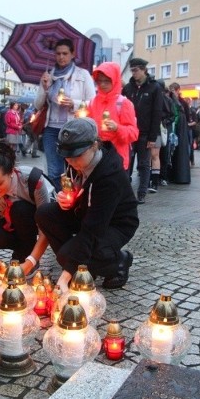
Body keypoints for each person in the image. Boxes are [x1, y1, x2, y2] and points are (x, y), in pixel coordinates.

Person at [35, 117, 139, 292]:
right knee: (45, 213)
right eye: (67, 157)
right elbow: (75, 186)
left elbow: (94, 229)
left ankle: (119, 262)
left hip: (114, 223)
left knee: (67, 256)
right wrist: (67, 197)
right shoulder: (74, 161)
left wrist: (65, 275)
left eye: (77, 156)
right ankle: (80, 264)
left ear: (94, 145)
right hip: (85, 212)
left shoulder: (109, 176)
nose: (71, 162)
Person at [0, 140, 51, 280]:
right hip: (12, 222)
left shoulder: (33, 182)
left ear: (11, 172)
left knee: (19, 209)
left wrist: (29, 262)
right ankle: (21, 252)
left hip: (35, 217)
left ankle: (28, 258)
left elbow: (46, 230)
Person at [35, 38, 96, 191]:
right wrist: (45, 88)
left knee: (74, 169)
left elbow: (93, 102)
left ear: (72, 54)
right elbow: (37, 105)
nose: (61, 57)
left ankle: (75, 200)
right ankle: (61, 201)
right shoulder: (48, 76)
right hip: (51, 130)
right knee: (55, 171)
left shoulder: (82, 75)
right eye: (58, 53)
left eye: (65, 53)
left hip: (73, 129)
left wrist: (73, 104)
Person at [122, 58, 163, 204]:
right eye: (132, 71)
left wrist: (152, 137)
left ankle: (142, 193)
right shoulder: (128, 88)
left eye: (136, 70)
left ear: (144, 69)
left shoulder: (154, 87)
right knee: (127, 163)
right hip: (129, 132)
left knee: (144, 164)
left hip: (145, 133)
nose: (133, 74)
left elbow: (157, 112)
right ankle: (126, 194)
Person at [88, 61, 138, 170]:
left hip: (117, 160)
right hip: (96, 159)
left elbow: (133, 133)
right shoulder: (92, 102)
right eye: (99, 81)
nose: (102, 84)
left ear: (115, 80)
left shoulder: (124, 103)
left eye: (107, 81)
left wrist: (117, 128)